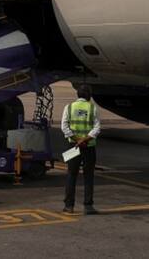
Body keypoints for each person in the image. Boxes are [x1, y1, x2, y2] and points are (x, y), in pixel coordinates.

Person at [61, 85, 100, 215]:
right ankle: (88, 206)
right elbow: (97, 128)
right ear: (89, 95)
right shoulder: (93, 108)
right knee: (88, 176)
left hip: (73, 146)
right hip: (89, 147)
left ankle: (69, 206)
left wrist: (77, 139)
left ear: (77, 94)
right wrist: (85, 140)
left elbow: (64, 127)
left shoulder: (69, 107)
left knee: (71, 175)